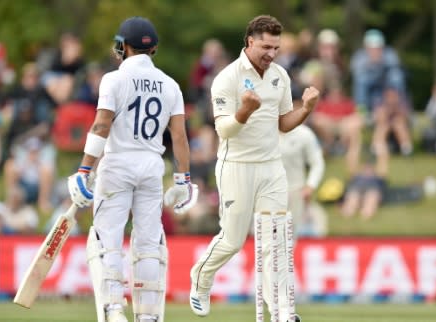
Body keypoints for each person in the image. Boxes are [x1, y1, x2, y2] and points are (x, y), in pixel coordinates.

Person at [67, 16, 198, 322]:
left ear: (124, 46)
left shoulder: (114, 79)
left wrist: (84, 170)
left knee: (107, 239)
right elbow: (178, 135)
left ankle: (114, 309)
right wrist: (183, 180)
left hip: (117, 163)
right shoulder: (170, 84)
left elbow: (101, 124)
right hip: (152, 166)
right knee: (149, 243)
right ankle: (149, 316)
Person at [189, 15, 319, 322]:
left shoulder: (280, 76)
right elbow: (224, 131)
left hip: (271, 168)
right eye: (265, 46)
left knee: (276, 242)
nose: (271, 53)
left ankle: (282, 311)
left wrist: (306, 110)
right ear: (249, 42)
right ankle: (200, 278)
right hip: (236, 166)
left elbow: (284, 124)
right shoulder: (227, 78)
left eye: (275, 47)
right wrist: (245, 110)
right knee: (233, 240)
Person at [279, 118, 326, 238]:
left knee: (290, 237)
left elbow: (317, 163)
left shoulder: (304, 134)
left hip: (296, 190)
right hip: (268, 192)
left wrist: (310, 185)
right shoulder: (262, 131)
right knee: (268, 237)